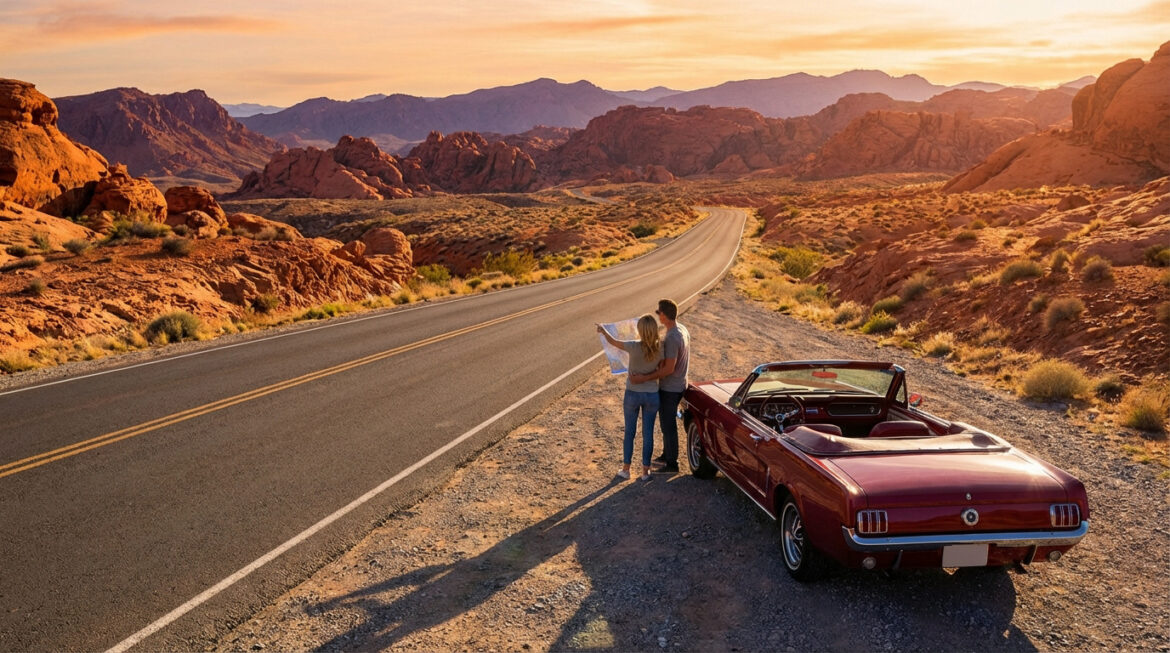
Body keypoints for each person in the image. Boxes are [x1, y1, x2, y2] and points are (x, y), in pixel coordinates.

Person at [597, 315, 663, 481]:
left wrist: (604, 331)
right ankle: (645, 471)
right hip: (652, 394)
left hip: (633, 393)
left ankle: (626, 469)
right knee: (648, 433)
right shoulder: (660, 348)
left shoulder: (633, 346)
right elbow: (662, 369)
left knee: (630, 432)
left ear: (640, 330)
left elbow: (614, 341)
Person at [629, 299, 689, 474]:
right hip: (680, 384)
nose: (658, 316)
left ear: (664, 315)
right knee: (666, 424)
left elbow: (669, 368)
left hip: (670, 387)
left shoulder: (672, 337)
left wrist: (644, 377)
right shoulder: (681, 329)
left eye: (659, 313)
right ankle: (666, 454)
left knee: (668, 425)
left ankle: (672, 464)